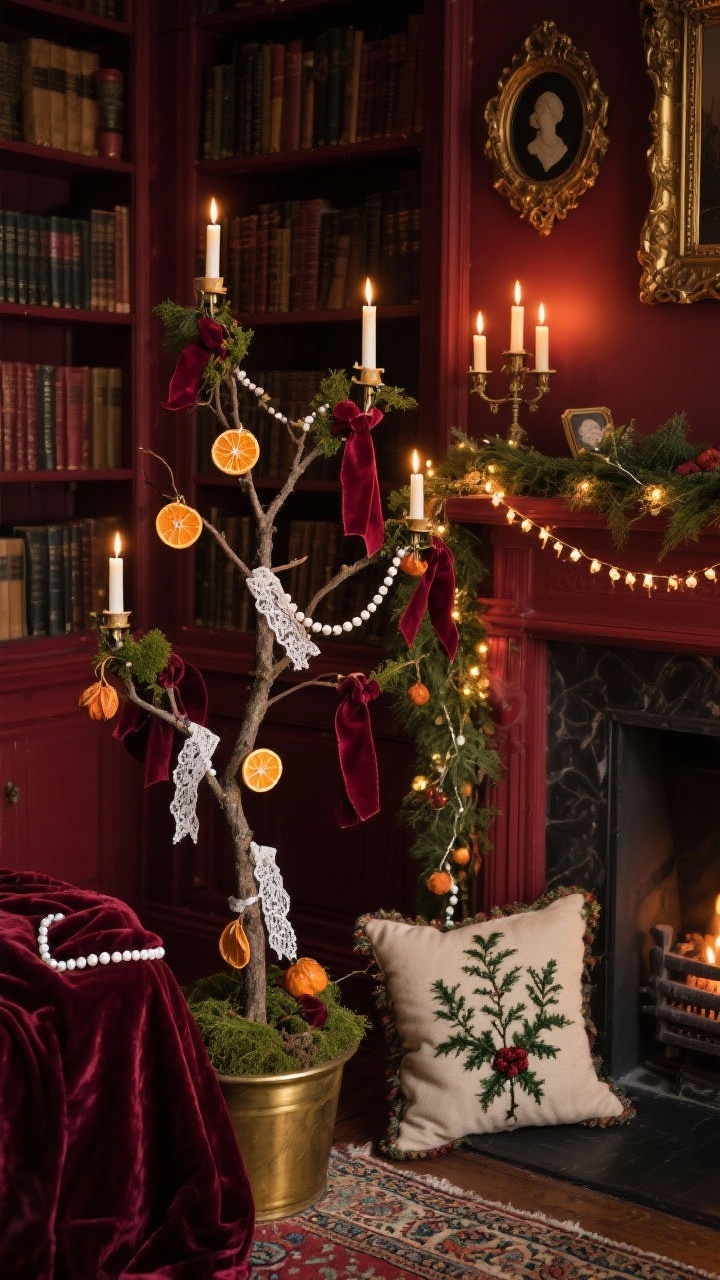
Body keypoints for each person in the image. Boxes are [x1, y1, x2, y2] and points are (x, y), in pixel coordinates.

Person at [527, 91, 567, 173]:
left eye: (546, 113)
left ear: (554, 116)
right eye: (540, 113)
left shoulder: (562, 147)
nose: (543, 117)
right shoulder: (533, 147)